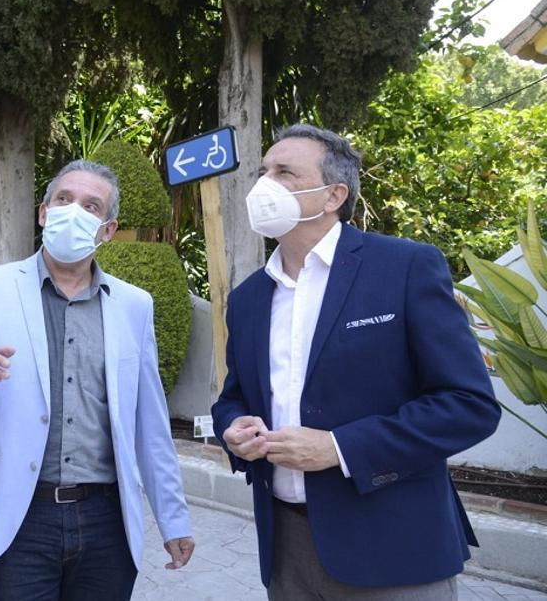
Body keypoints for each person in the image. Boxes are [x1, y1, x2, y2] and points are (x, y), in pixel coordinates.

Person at [211, 124, 501, 600]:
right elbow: (235, 396)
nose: (264, 184)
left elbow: (468, 404)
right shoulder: (248, 298)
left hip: (392, 546)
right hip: (286, 550)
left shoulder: (405, 267)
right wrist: (233, 426)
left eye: (284, 172)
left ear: (333, 195)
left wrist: (339, 449)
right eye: (263, 171)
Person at [0, 160, 195, 600]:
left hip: (107, 522)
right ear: (44, 212)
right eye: (64, 199)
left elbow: (150, 424)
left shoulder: (134, 306)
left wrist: (173, 518)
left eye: (91, 205)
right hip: (19, 518)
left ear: (106, 229)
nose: (74, 211)